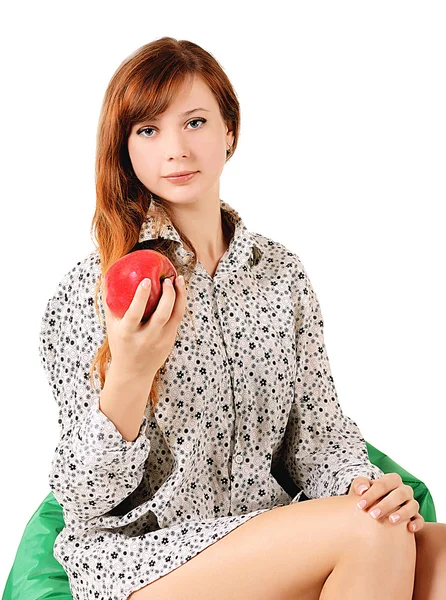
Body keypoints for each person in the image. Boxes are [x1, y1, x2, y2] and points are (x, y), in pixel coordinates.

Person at [40, 37, 444, 600]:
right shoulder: (91, 289)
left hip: (263, 534)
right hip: (143, 559)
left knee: (435, 550)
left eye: (196, 122)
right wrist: (130, 372)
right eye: (148, 131)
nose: (176, 148)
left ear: (230, 131)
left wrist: (365, 487)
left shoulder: (279, 273)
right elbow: (80, 498)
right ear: (126, 149)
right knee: (369, 534)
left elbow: (319, 435)